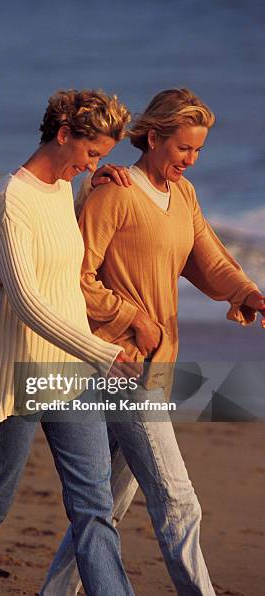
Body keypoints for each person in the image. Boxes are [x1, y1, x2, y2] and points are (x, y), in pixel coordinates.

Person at [42, 88, 265, 595]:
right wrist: (131, 318)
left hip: (158, 364)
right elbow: (74, 276)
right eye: (183, 148)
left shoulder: (182, 195)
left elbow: (205, 252)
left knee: (107, 505)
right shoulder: (114, 192)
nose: (191, 160)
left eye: (199, 151)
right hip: (122, 367)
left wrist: (248, 293)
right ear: (154, 137)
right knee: (179, 500)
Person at [0, 89, 139, 596]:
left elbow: (64, 255)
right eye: (92, 154)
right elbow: (28, 301)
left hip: (72, 375)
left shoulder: (63, 190)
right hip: (19, 374)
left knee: (94, 506)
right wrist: (103, 352)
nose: (94, 163)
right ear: (64, 135)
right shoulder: (10, 200)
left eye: (103, 158)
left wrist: (94, 185)